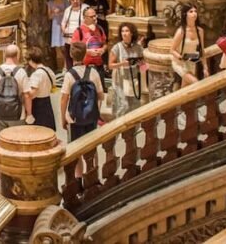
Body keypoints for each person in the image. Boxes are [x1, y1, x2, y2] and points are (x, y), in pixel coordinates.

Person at [0, 44, 31, 183]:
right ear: (17, 56)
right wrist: (29, 113)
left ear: (5, 55)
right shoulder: (21, 72)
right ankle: (15, 175)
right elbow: (27, 96)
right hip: (17, 114)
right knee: (17, 144)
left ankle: (0, 174)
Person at [61, 42, 103, 177]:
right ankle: (92, 175)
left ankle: (78, 179)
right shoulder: (93, 72)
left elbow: (64, 99)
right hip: (91, 118)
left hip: (74, 119)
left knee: (76, 150)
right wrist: (95, 111)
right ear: (85, 54)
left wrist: (63, 118)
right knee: (92, 148)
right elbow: (101, 95)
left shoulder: (69, 75)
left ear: (71, 55)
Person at [108, 23, 144, 118]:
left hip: (134, 81)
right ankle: (118, 128)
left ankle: (133, 130)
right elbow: (110, 66)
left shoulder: (138, 48)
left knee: (135, 106)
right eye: (122, 31)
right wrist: (122, 64)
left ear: (132, 33)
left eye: (127, 31)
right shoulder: (117, 47)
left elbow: (144, 67)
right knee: (123, 106)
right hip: (120, 81)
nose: (124, 33)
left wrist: (141, 65)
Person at [171, 4, 207, 87]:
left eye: (195, 11)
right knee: (196, 83)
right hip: (180, 63)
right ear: (185, 14)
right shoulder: (181, 31)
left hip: (191, 63)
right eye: (191, 11)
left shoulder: (200, 31)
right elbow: (172, 50)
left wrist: (205, 68)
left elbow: (202, 51)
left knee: (186, 90)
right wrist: (182, 57)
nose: (194, 13)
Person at [26, 47, 57, 131]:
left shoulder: (37, 74)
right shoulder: (49, 71)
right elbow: (54, 87)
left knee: (37, 133)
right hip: (47, 103)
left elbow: (32, 94)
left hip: (38, 106)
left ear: (31, 61)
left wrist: (25, 91)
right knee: (48, 132)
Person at [60, 0, 86, 70]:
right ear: (69, 0)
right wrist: (64, 30)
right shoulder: (67, 10)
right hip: (68, 40)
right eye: (72, 0)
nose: (75, 1)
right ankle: (70, 74)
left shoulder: (85, 8)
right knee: (69, 59)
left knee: (80, 60)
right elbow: (63, 22)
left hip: (81, 40)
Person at [47, 0, 68, 68]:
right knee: (57, 49)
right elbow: (49, 17)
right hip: (55, 26)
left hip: (64, 25)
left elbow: (68, 13)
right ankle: (60, 68)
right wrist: (53, 12)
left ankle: (65, 67)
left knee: (64, 48)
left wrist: (60, 12)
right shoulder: (50, 2)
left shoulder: (65, 0)